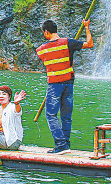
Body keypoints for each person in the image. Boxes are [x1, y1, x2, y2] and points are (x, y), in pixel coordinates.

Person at [36, 19, 92, 154]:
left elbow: (48, 63)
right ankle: (66, 143)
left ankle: (60, 145)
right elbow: (89, 44)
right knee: (66, 116)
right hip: (69, 83)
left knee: (50, 114)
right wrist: (86, 26)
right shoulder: (69, 43)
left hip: (54, 84)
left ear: (46, 32)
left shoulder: (41, 50)